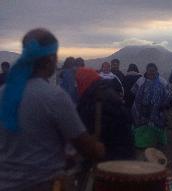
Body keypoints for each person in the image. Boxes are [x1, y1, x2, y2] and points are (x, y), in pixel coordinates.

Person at [0, 28, 104, 191]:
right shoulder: (54, 97)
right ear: (49, 59)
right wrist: (99, 148)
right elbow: (86, 147)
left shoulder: (3, 92)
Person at [76, 67, 134, 160]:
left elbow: (84, 128)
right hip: (125, 150)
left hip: (106, 155)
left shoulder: (90, 100)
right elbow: (127, 117)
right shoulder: (111, 92)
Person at [131, 63, 172, 150]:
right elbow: (134, 93)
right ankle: (141, 144)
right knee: (142, 127)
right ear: (146, 71)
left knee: (157, 127)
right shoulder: (140, 81)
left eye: (153, 70)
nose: (151, 72)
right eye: (150, 70)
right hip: (141, 111)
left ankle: (157, 144)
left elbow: (169, 96)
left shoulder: (163, 82)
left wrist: (164, 105)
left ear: (156, 71)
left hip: (158, 111)